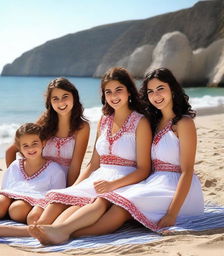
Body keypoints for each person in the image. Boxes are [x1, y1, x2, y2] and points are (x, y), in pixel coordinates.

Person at [53, 67, 204, 239]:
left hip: (178, 189)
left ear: (173, 90)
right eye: (150, 91)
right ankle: (61, 230)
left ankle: (68, 233)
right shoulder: (154, 122)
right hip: (154, 182)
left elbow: (187, 171)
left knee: (121, 206)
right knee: (111, 199)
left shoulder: (184, 123)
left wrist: (172, 213)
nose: (156, 95)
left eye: (160, 88)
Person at [25, 66, 152, 245]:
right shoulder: (104, 120)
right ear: (104, 96)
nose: (113, 96)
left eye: (118, 90)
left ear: (129, 91)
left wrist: (112, 185)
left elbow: (144, 169)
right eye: (108, 92)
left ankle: (62, 231)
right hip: (100, 176)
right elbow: (93, 164)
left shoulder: (140, 122)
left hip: (125, 179)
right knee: (66, 200)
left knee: (98, 202)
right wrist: (74, 189)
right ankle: (44, 230)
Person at [0, 78, 90, 236]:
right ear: (50, 102)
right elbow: (12, 150)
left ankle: (18, 214)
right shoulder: (45, 122)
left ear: (74, 97)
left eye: (65, 96)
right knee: (0, 208)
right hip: (34, 179)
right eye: (55, 98)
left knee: (22, 214)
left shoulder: (82, 127)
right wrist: (17, 180)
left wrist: (67, 194)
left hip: (59, 184)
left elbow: (75, 164)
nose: (61, 102)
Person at [0, 123, 66, 223]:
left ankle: (7, 212)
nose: (30, 149)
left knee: (17, 211)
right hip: (12, 195)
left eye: (35, 143)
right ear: (19, 147)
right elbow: (6, 187)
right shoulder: (15, 165)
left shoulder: (54, 169)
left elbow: (57, 196)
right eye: (25, 145)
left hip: (35, 200)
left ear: (43, 142)